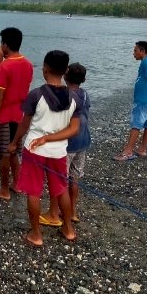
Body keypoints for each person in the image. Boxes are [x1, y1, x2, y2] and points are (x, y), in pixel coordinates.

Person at [8, 50, 80, 246]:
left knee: (34, 191)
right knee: (61, 189)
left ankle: (36, 235)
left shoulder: (36, 95)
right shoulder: (74, 98)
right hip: (59, 151)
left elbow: (24, 124)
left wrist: (14, 142)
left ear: (44, 69)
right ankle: (68, 229)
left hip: (34, 149)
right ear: (66, 70)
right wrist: (50, 139)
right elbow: (74, 129)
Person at [0, 27, 33, 201]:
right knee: (13, 152)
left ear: (5, 44)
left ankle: (4, 189)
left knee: (4, 154)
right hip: (20, 116)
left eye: (3, 43)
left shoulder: (4, 67)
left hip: (4, 116)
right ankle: (17, 184)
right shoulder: (28, 64)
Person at [41, 62, 91, 227]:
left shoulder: (65, 96)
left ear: (65, 76)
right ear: (83, 79)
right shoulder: (84, 94)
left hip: (67, 145)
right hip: (82, 141)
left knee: (58, 178)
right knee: (74, 178)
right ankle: (72, 211)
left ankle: (54, 213)